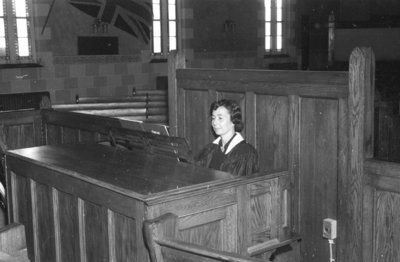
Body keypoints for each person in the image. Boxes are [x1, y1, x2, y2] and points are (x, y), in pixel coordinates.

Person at [195, 99, 259, 176]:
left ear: (233, 121)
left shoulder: (246, 152)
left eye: (220, 118)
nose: (214, 122)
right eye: (213, 118)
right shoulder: (209, 149)